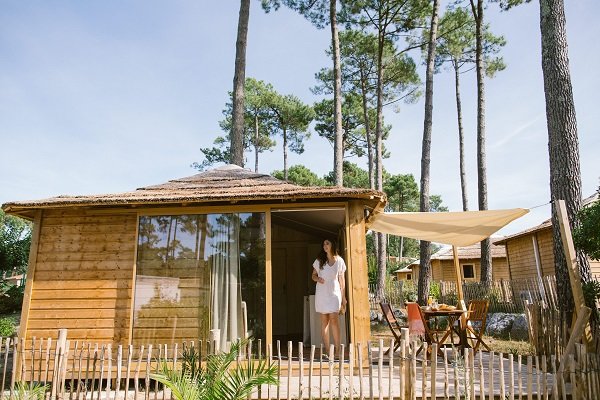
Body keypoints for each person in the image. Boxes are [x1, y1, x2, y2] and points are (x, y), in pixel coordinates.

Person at [311, 238, 347, 357]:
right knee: (324, 322)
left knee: (334, 321)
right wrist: (318, 279)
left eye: (327, 243)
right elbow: (313, 276)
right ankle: (327, 350)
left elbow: (342, 280)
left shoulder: (340, 261)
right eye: (324, 243)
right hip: (322, 293)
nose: (325, 245)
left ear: (333, 245)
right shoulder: (319, 260)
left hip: (334, 293)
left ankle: (337, 350)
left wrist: (343, 297)